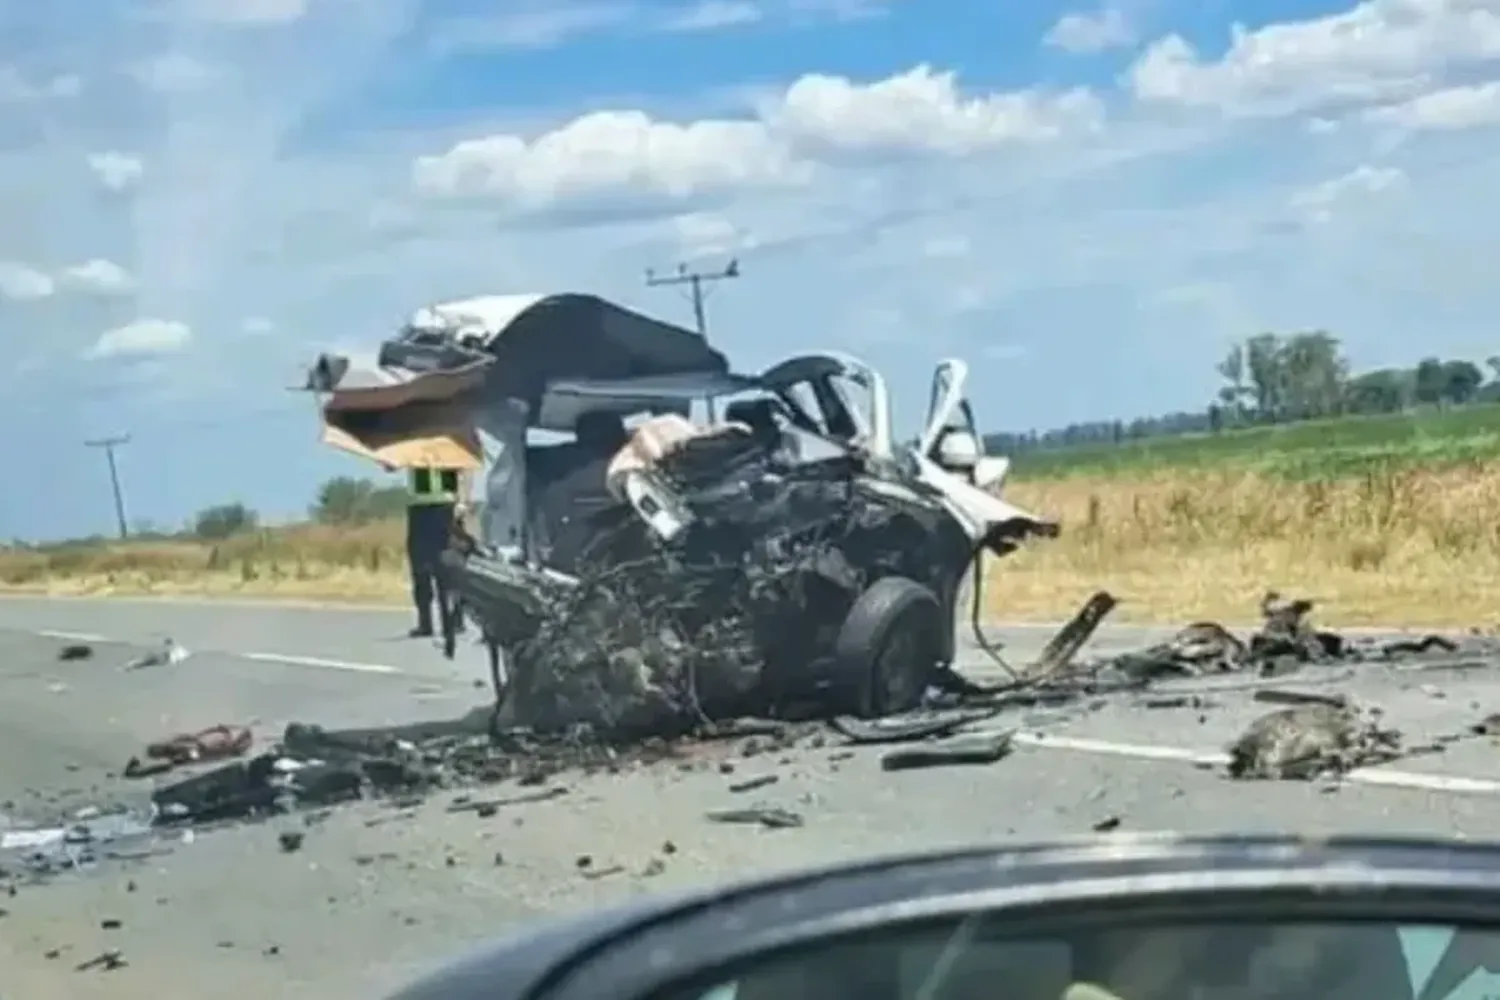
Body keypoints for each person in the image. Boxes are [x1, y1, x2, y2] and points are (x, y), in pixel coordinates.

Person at [404, 464, 466, 638]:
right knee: (420, 568)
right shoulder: (412, 445)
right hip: (419, 507)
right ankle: (425, 623)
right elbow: (391, 465)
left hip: (446, 506)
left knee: (448, 567)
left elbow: (464, 469)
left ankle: (454, 619)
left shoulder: (448, 442)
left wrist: (462, 501)